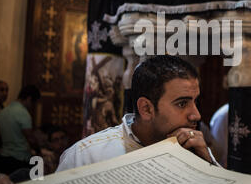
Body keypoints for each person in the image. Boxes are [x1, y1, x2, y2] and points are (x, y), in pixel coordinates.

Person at [57, 55, 219, 171]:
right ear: (146, 109)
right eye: (182, 103)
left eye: (195, 101)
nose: (196, 115)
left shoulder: (194, 150)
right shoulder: (85, 157)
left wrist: (208, 167)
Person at [0, 85, 41, 175]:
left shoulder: (4, 111)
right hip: (19, 159)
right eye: (33, 103)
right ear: (29, 99)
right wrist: (39, 150)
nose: (33, 107)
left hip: (3, 157)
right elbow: (30, 138)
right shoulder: (23, 113)